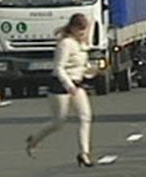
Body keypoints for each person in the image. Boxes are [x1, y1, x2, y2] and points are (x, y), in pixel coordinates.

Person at [25, 13, 94, 167]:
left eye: (85, 30)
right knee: (59, 122)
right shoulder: (65, 44)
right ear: (73, 28)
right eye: (80, 30)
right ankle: (34, 139)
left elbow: (82, 66)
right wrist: (68, 85)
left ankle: (84, 153)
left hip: (78, 84)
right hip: (60, 85)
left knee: (85, 117)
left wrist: (90, 71)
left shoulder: (82, 45)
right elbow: (59, 67)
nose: (83, 33)